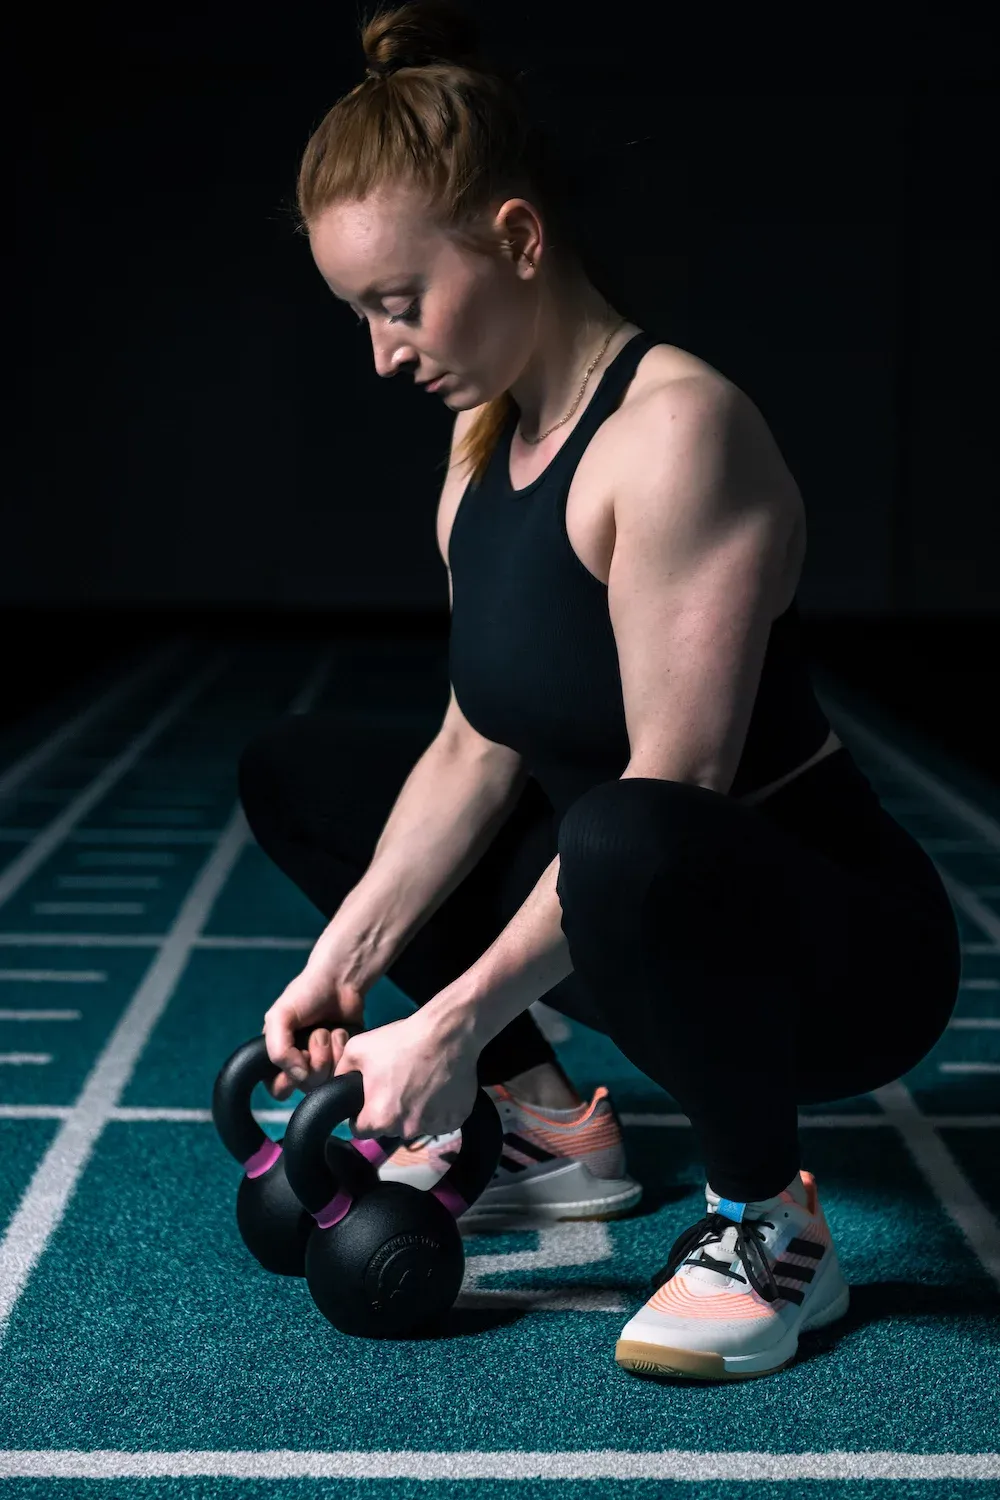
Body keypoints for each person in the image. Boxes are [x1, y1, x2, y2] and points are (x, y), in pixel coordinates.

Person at [238, 1, 961, 1381]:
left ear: (517, 237)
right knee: (298, 770)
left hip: (829, 954)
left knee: (626, 825)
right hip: (627, 917)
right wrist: (346, 959)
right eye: (360, 315)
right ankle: (543, 1128)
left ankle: (769, 1227)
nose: (382, 353)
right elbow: (475, 743)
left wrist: (444, 1020)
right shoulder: (479, 438)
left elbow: (676, 789)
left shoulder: (680, 431)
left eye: (399, 302)